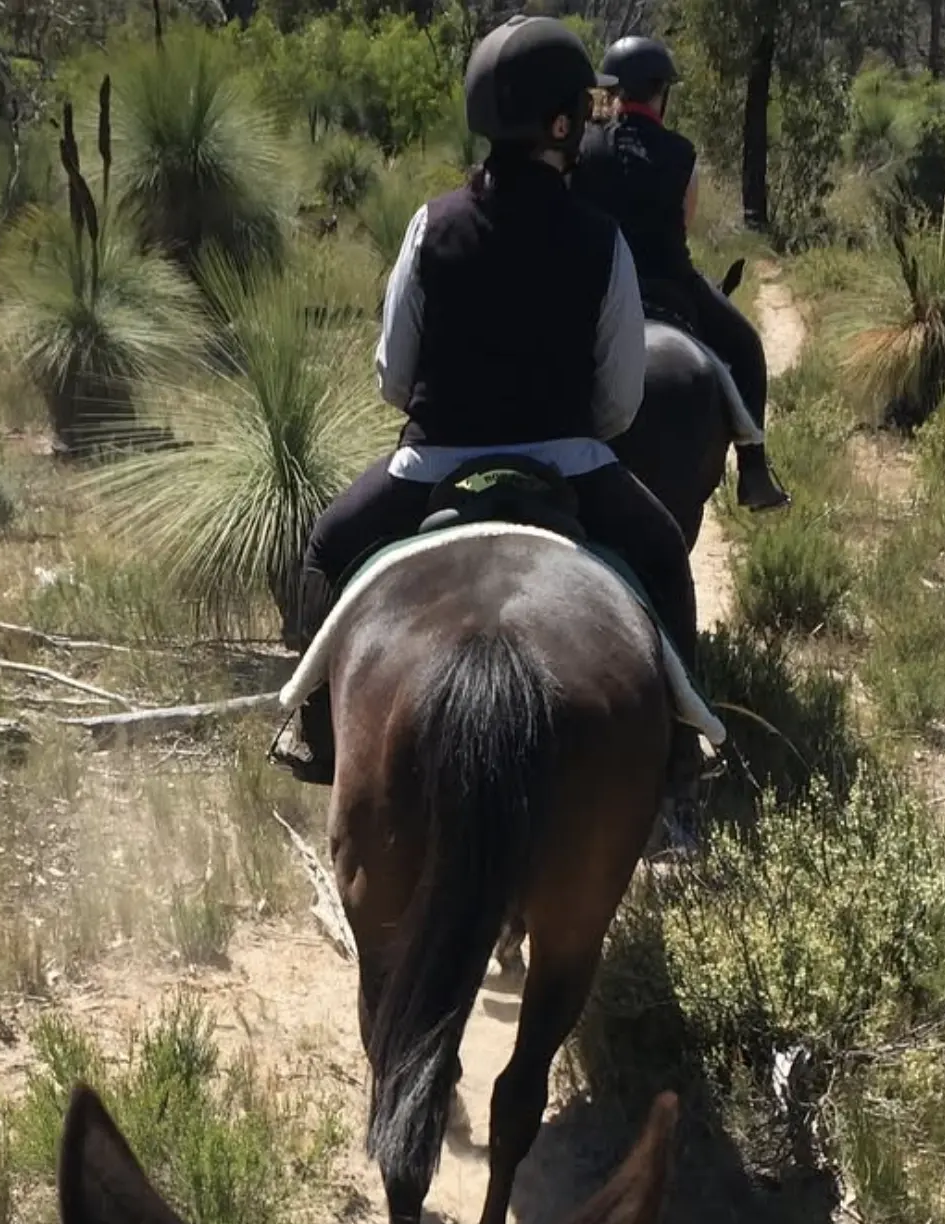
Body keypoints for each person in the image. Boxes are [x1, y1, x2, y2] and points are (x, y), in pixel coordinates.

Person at [274, 13, 701, 847]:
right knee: (664, 559)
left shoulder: (432, 224)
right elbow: (618, 401)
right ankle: (682, 750)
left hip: (429, 465)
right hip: (572, 467)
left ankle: (313, 732)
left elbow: (392, 376)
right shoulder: (600, 238)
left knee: (325, 547)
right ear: (562, 123)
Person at [573, 35, 789, 513]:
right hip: (669, 283)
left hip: (597, 287)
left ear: (614, 91)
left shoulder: (584, 147)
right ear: (660, 93)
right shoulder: (681, 154)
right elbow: (684, 221)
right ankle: (754, 468)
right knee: (745, 346)